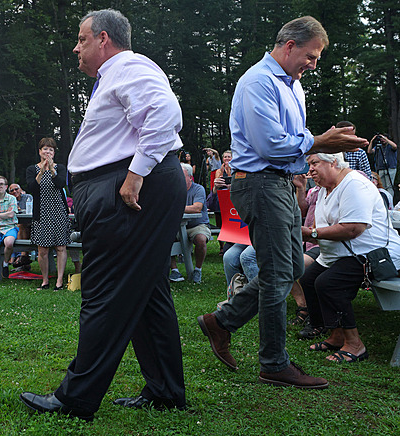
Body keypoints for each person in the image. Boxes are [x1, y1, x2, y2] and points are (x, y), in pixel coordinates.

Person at [20, 9, 186, 420]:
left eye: (81, 40)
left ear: (104, 39)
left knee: (103, 290)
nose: (76, 48)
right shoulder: (113, 77)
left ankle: (75, 398)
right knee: (148, 292)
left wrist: (134, 176)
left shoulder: (129, 65)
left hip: (127, 188)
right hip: (121, 185)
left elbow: (164, 115)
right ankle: (165, 390)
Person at [196, 16, 369, 389]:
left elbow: (293, 139)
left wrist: (314, 146)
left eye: (317, 58)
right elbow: (270, 145)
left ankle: (222, 320)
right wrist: (320, 142)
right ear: (289, 45)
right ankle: (273, 362)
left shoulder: (293, 87)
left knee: (290, 267)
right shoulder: (258, 81)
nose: (314, 64)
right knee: (277, 273)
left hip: (279, 182)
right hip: (258, 183)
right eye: (311, 55)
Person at [300, 153, 400, 362]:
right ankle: (335, 334)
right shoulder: (324, 190)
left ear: (333, 162)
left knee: (329, 283)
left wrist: (312, 234)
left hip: (374, 254)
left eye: (315, 163)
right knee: (308, 279)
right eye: (309, 164)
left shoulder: (354, 184)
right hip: (341, 254)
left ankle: (355, 345)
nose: (310, 170)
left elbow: (354, 228)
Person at [25, 137, 70, 290]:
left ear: (54, 152)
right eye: (45, 149)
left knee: (60, 247)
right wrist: (42, 171)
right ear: (40, 152)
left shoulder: (61, 168)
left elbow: (60, 184)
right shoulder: (32, 169)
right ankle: (45, 280)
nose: (48, 152)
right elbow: (32, 188)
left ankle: (59, 281)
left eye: (51, 149)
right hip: (41, 212)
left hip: (58, 212)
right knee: (42, 249)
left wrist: (51, 170)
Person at [169, 170, 210, 284]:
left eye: (182, 176)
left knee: (201, 239)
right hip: (176, 226)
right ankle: (175, 270)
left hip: (197, 225)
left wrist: (176, 207)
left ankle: (198, 269)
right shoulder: (173, 189)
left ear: (190, 178)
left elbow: (197, 208)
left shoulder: (198, 189)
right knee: (163, 237)